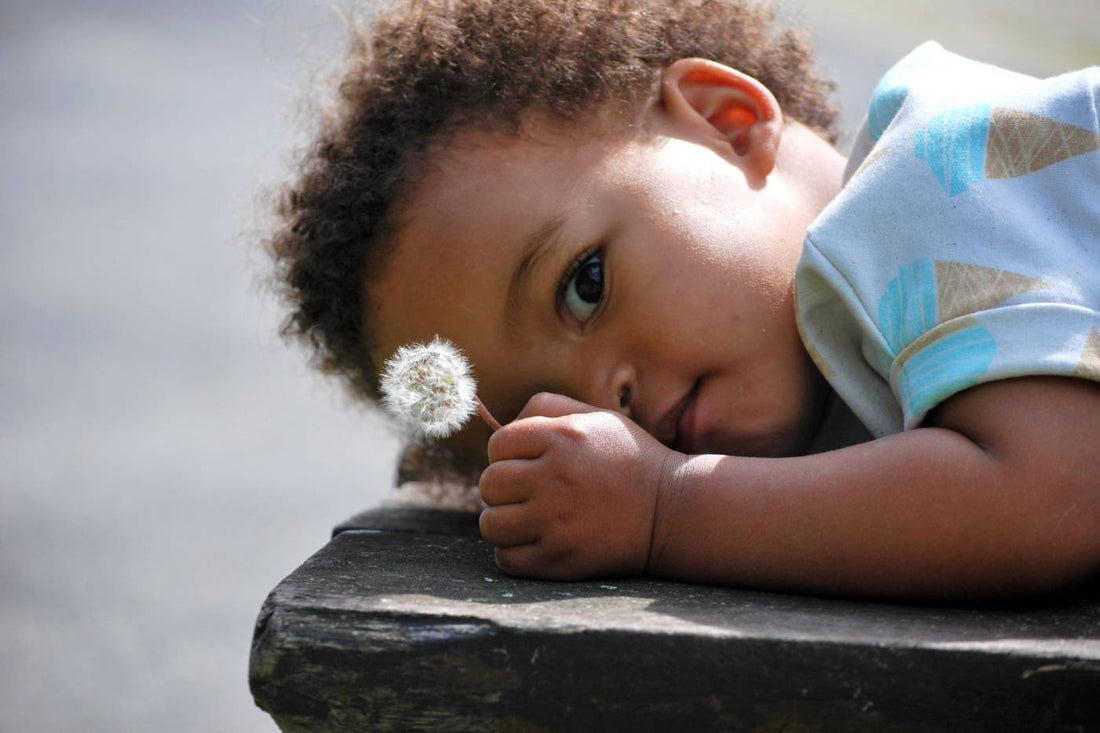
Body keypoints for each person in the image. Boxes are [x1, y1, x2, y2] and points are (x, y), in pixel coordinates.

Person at [266, 0, 1100, 599]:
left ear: (726, 121)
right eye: (540, 410)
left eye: (584, 284)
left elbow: (1056, 494)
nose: (606, 403)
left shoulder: (931, 176)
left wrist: (668, 506)